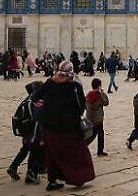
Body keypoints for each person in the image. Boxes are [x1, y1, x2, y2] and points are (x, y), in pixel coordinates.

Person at [30, 61, 95, 191]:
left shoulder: (49, 82)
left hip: (49, 127)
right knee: (77, 152)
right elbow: (80, 106)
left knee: (52, 154)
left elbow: (35, 96)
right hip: (69, 127)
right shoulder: (73, 86)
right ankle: (78, 178)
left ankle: (52, 181)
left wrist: (44, 106)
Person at [7, 81, 45, 184]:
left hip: (26, 129)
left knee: (24, 150)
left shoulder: (28, 98)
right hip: (33, 131)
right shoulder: (35, 102)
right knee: (36, 152)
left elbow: (27, 86)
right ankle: (33, 174)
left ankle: (13, 167)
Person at [85, 78, 109, 156]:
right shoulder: (99, 95)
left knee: (91, 135)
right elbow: (106, 102)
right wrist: (102, 93)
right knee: (98, 135)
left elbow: (85, 105)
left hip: (90, 118)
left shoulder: (89, 95)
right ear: (99, 86)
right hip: (98, 119)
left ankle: (84, 147)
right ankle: (99, 151)